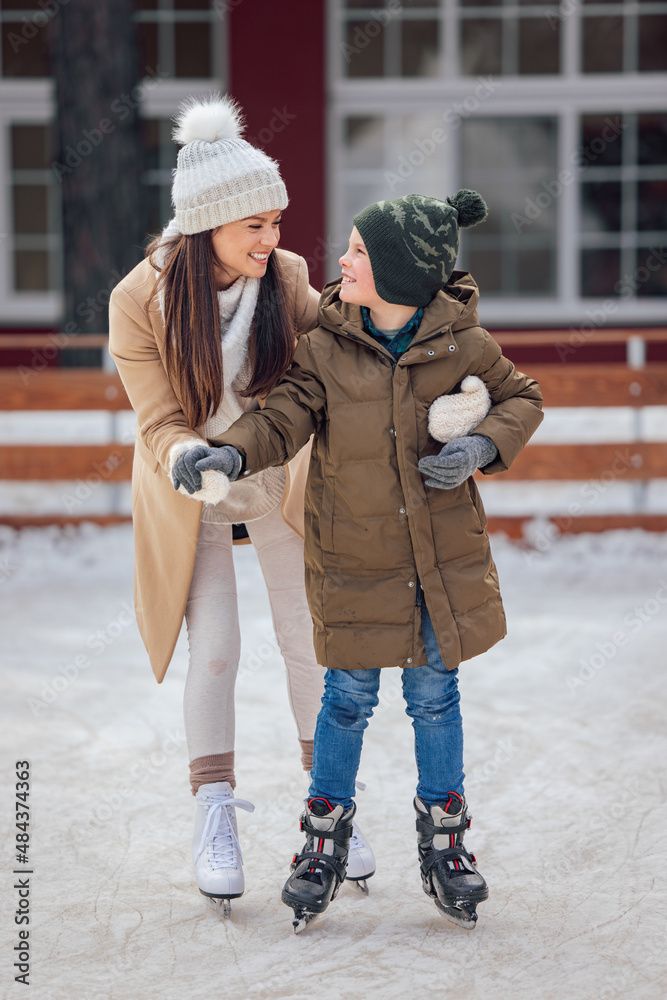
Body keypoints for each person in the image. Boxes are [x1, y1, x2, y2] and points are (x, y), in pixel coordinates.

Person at [179, 189, 544, 930]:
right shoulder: (323, 347)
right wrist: (230, 450)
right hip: (350, 561)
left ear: (402, 277)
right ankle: (322, 840)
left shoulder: (461, 346)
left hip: (436, 567)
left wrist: (479, 445)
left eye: (357, 252)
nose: (338, 261)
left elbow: (521, 398)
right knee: (343, 701)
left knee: (434, 700)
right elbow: (280, 418)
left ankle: (446, 844)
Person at [108, 93, 375, 918]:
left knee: (308, 640)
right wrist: (190, 456)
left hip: (275, 477)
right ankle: (213, 813)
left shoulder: (286, 279)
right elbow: (156, 419)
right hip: (192, 489)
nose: (272, 240)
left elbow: (343, 345)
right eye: (253, 224)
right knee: (216, 649)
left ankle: (328, 810)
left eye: (276, 220)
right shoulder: (139, 299)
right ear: (206, 227)